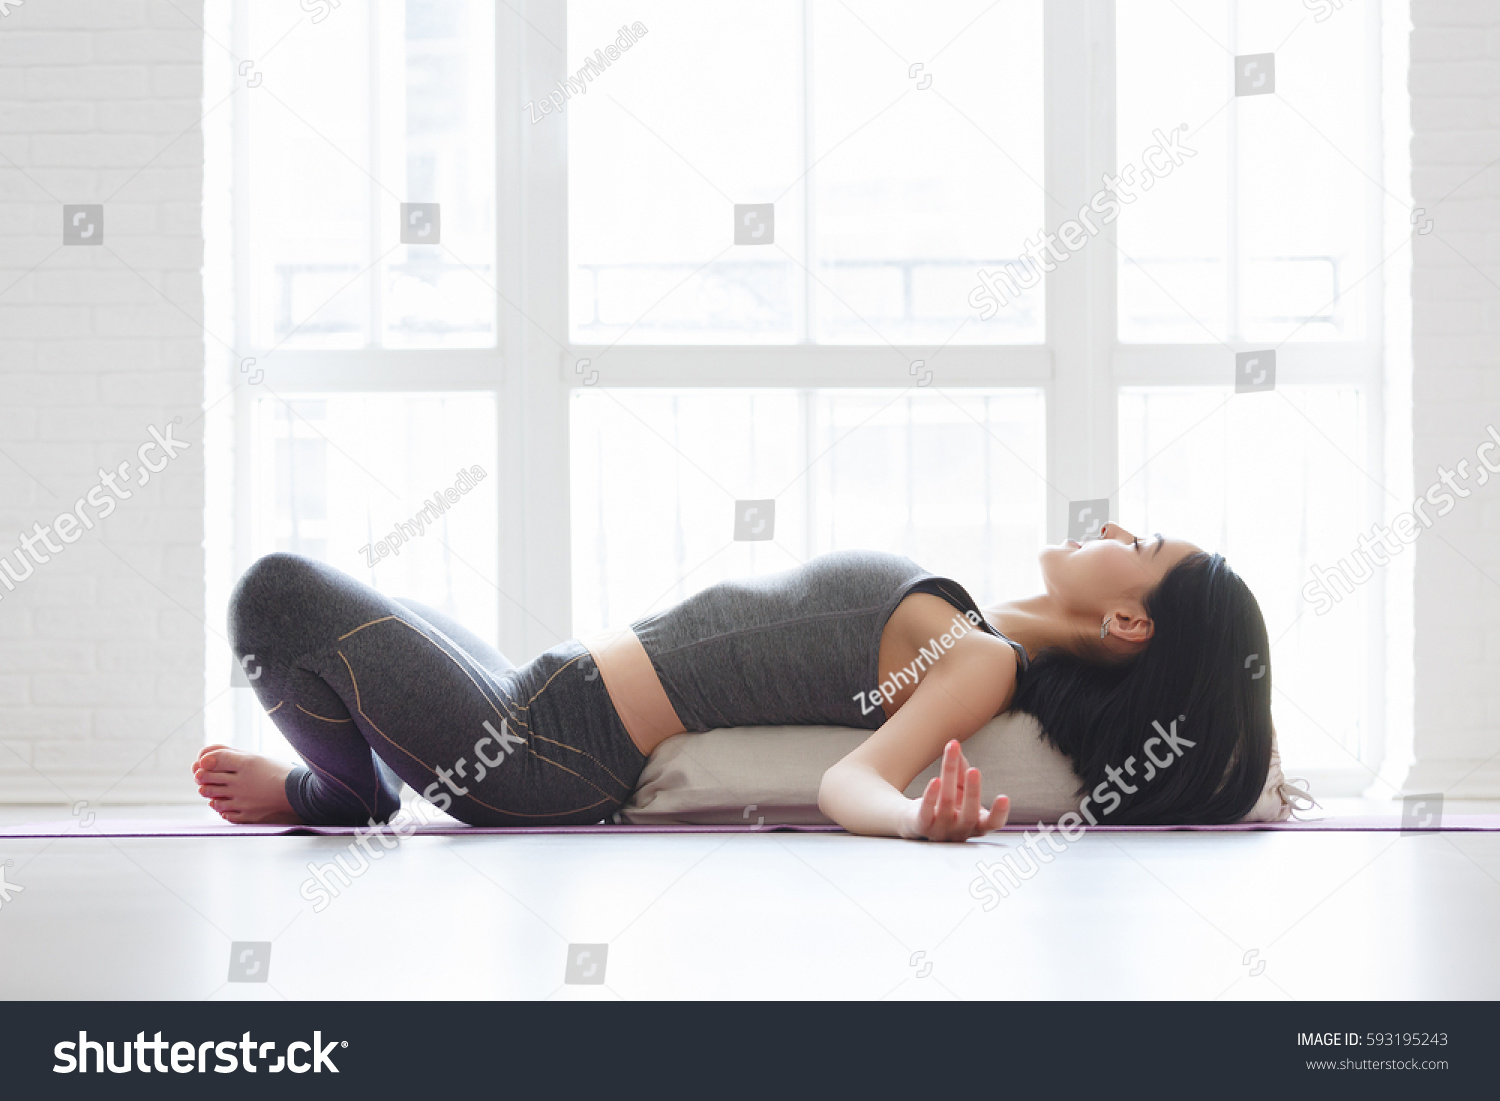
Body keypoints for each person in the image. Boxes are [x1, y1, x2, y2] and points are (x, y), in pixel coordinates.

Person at [194, 523, 1274, 840]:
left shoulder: (981, 660)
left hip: (538, 755)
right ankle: (354, 781)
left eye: (1149, 542)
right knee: (350, 603)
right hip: (535, 692)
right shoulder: (979, 627)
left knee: (278, 595)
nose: (1121, 527)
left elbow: (857, 781)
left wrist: (915, 825)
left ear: (1130, 618)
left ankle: (338, 794)